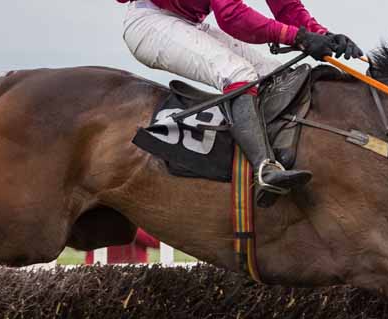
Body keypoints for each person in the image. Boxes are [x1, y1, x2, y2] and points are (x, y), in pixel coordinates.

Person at [118, 0, 363, 207]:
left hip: (188, 22)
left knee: (277, 75)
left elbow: (286, 6)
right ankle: (264, 170)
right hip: (149, 22)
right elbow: (232, 16)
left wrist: (322, 36)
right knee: (239, 74)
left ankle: (284, 157)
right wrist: (298, 37)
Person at [85, 228, 161, 265]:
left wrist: (131, 229)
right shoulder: (95, 213)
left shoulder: (139, 216)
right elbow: (78, 242)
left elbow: (158, 243)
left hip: (136, 273)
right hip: (97, 272)